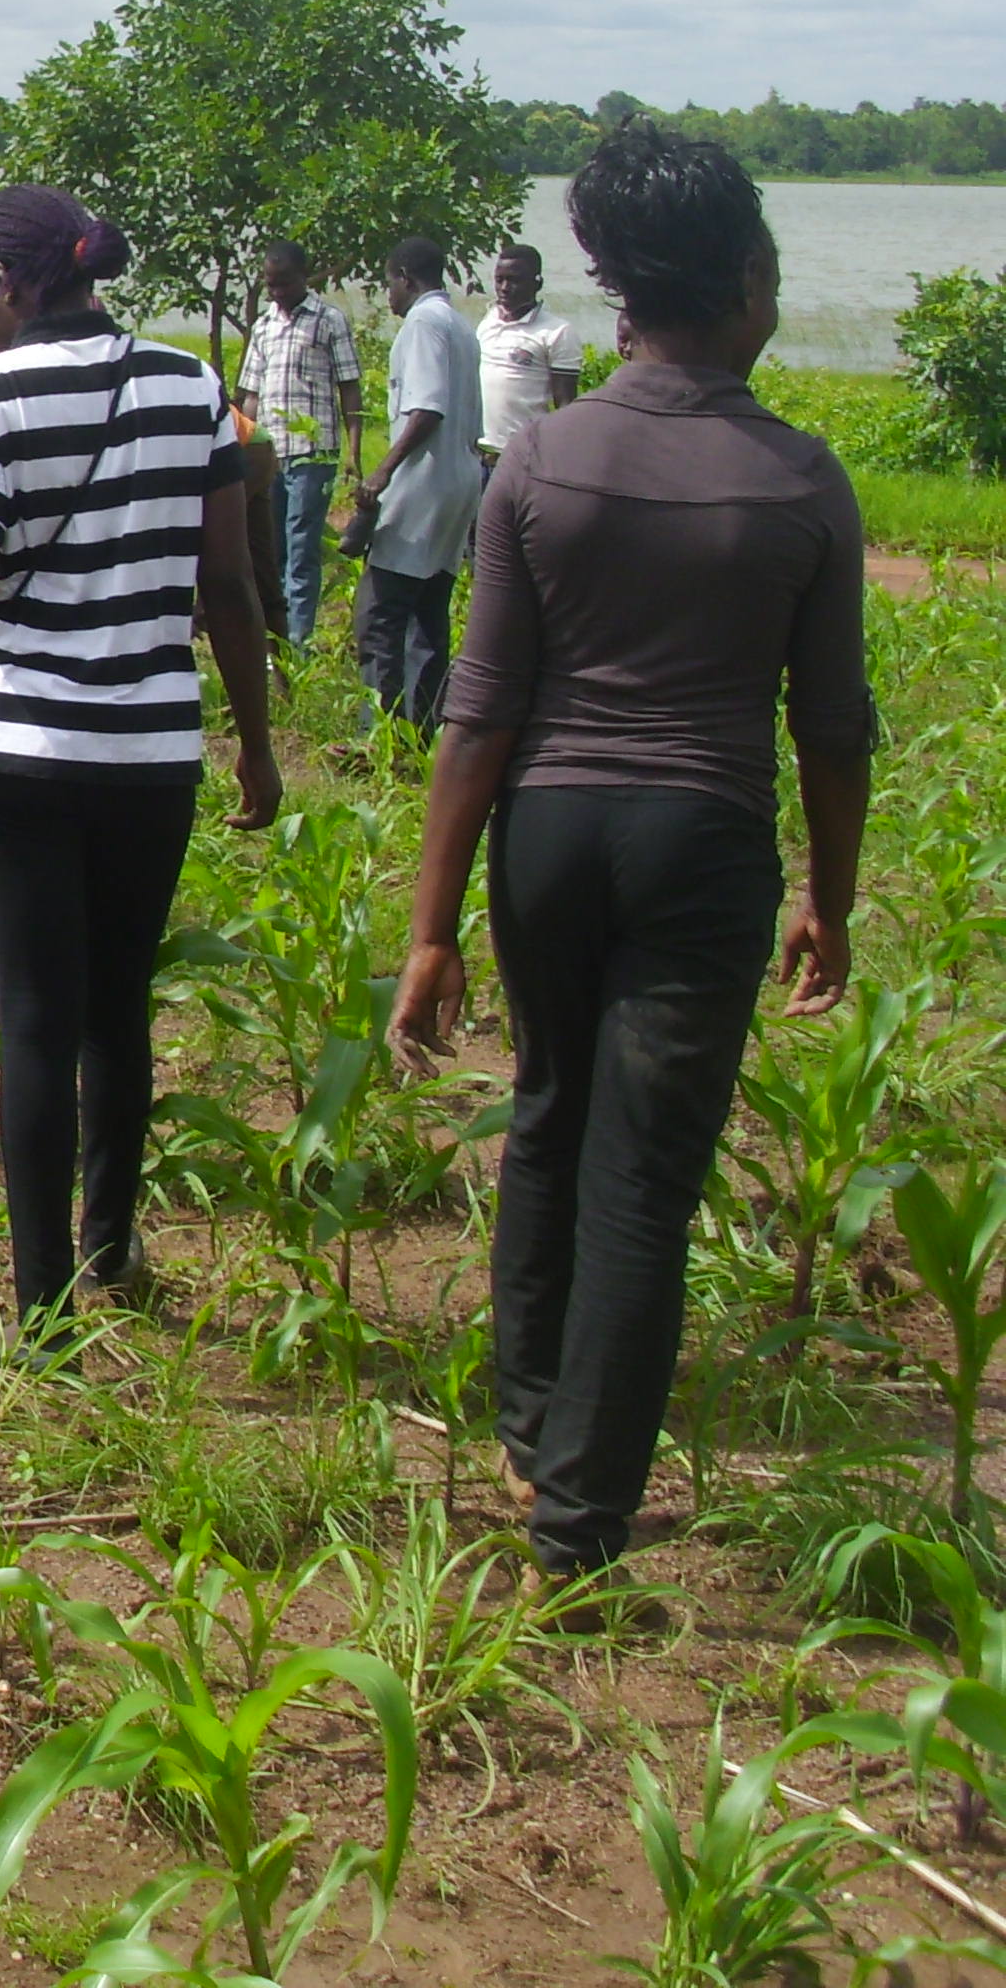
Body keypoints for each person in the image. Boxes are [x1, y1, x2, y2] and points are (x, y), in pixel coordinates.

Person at [395, 123, 870, 1585]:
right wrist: (829, 900)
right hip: (700, 843)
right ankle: (581, 1520)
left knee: (549, 1108)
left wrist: (431, 928)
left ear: (617, 294)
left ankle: (534, 1418)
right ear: (742, 281)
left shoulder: (543, 460)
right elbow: (833, 727)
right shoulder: (800, 481)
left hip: (548, 835)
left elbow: (479, 711)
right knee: (645, 1180)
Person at [0, 186, 279, 1354]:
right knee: (119, 1007)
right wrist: (257, 746)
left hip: (22, 744)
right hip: (150, 746)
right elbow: (227, 585)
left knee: (35, 1016)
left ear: (9, 284)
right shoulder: (188, 384)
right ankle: (110, 1243)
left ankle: (40, 1313)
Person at [352, 237, 484, 730]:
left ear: (406, 277)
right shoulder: (461, 325)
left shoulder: (424, 322)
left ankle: (377, 734)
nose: (388, 293)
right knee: (430, 611)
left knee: (381, 613)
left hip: (422, 483)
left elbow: (427, 406)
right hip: (459, 481)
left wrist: (383, 469)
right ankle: (420, 729)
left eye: (389, 282)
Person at [237, 242, 363, 646]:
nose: (277, 292)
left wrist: (355, 452)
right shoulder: (263, 327)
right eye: (270, 285)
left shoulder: (328, 321)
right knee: (269, 550)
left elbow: (350, 388)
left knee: (302, 547)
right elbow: (251, 395)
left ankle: (298, 641)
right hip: (270, 455)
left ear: (304, 278)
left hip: (314, 452)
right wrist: (241, 448)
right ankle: (273, 641)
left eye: (285, 283)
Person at [477, 241, 581, 456]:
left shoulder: (557, 332)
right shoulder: (488, 321)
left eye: (514, 280)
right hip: (477, 453)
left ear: (537, 283)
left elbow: (565, 405)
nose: (505, 287)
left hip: (522, 456)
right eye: (499, 280)